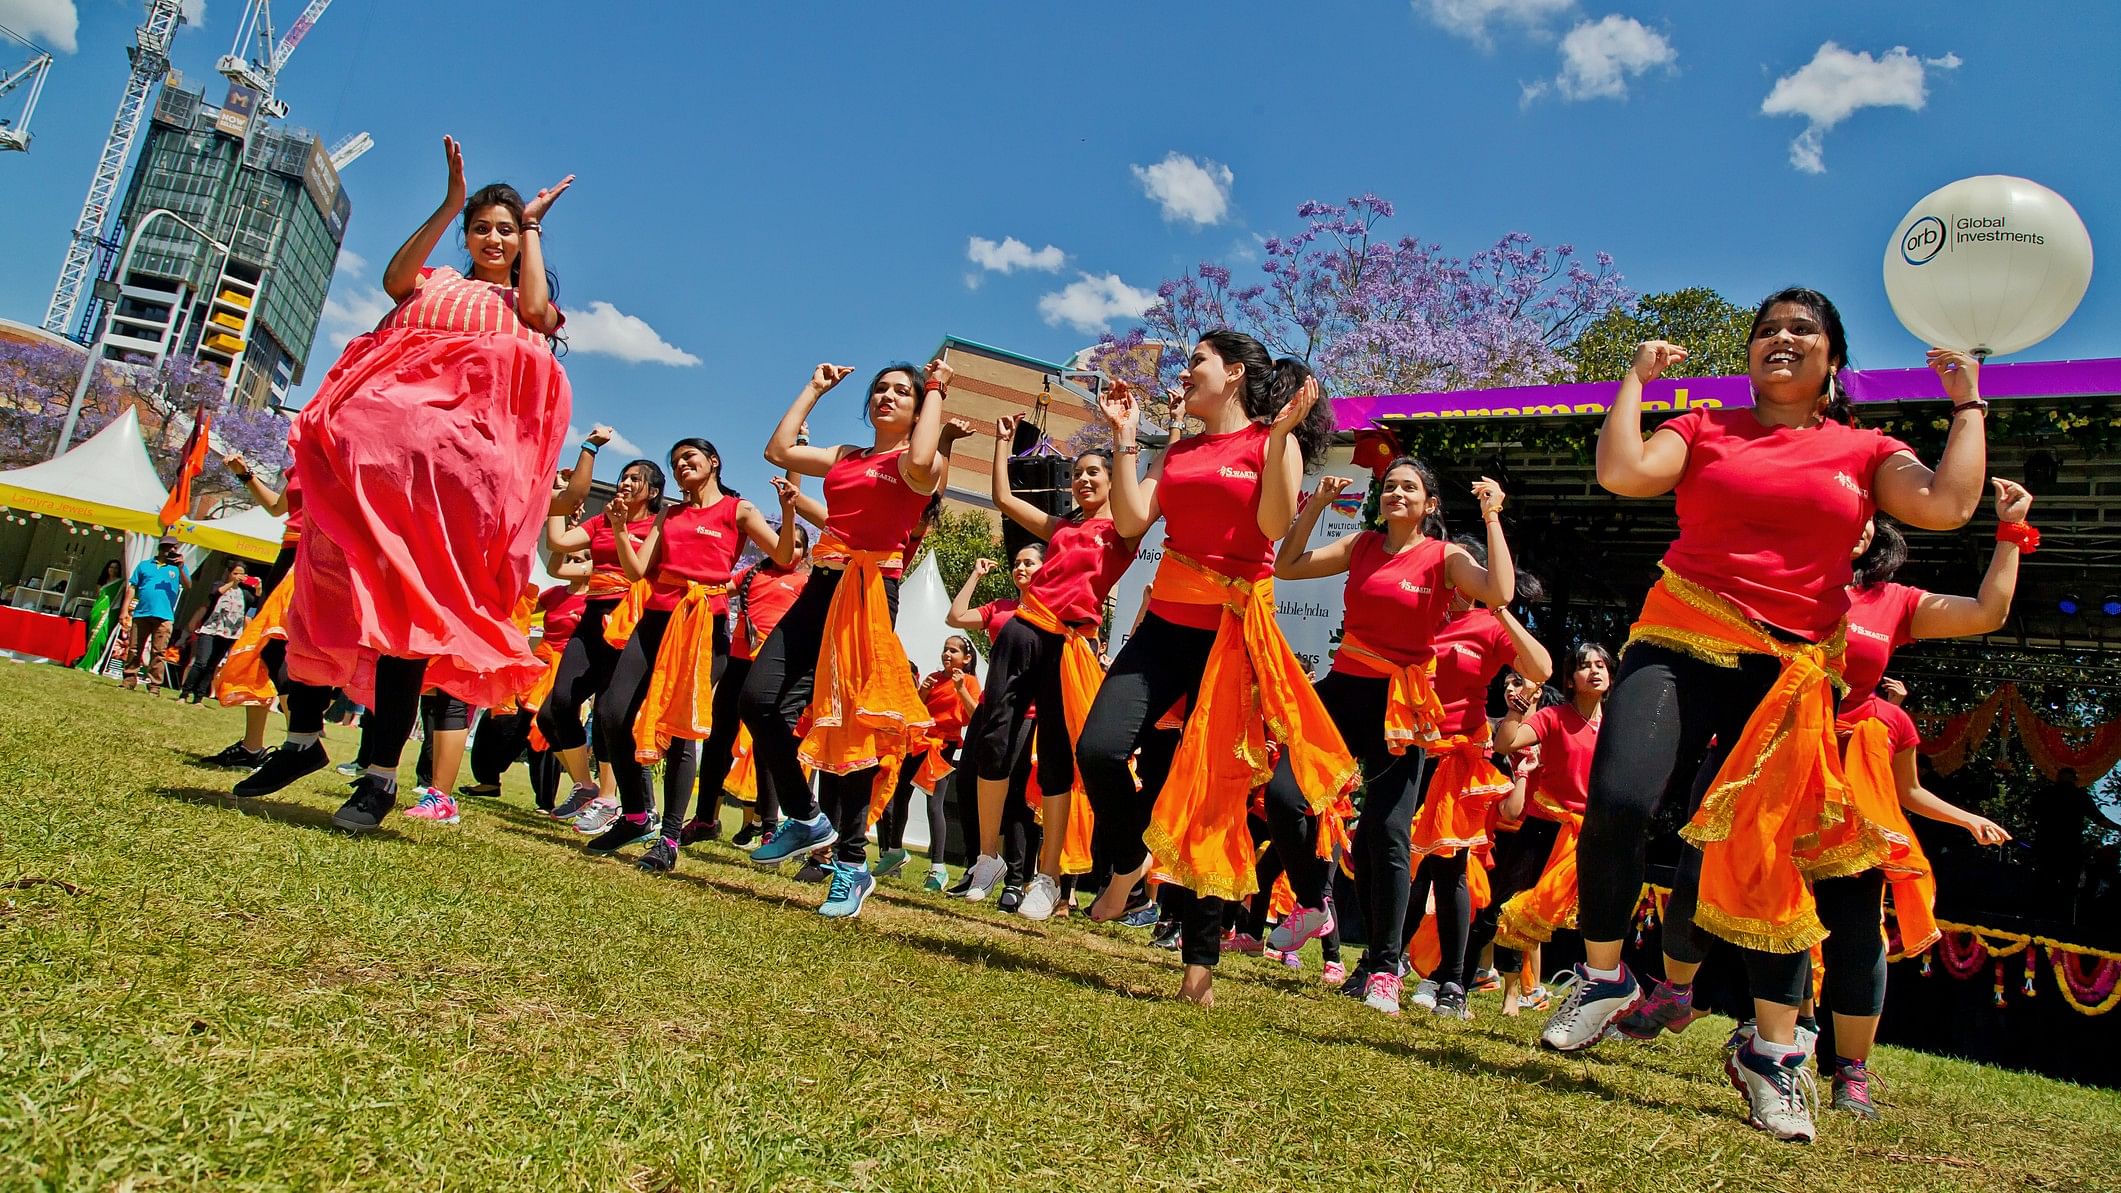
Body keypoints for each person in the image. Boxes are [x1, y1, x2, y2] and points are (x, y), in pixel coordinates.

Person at [1540, 289, 1989, 1146]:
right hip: (1679, 632)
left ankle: (1772, 1054)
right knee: (1624, 800)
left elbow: (1943, 504)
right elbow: (1622, 472)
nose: (1779, 340)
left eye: (1800, 331)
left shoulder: (1864, 448)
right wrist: (1633, 382)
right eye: (1766, 331)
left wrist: (1965, 401)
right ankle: (1604, 977)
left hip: (1784, 671)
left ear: (1831, 359)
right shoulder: (1705, 425)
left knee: (1766, 851)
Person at [1620, 482, 2032, 1118]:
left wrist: (2009, 534)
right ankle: (1676, 989)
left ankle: (1848, 1072)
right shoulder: (1766, 579)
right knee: (1702, 880)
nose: (1855, 525)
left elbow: (1986, 612)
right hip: (1753, 761)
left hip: (1845, 779)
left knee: (1855, 925)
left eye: (1867, 518)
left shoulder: (1891, 601)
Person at [232, 136, 576, 834]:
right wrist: (450, 200)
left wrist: (532, 226)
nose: (492, 238)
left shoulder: (519, 306)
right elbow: (395, 278)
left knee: (404, 631)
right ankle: (300, 741)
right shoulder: (433, 285)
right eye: (481, 227)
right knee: (317, 599)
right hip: (368, 483)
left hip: (441, 500)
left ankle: (381, 777)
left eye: (505, 230)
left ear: (521, 242)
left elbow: (540, 311)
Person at [1075, 333, 1350, 1007]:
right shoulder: (1184, 449)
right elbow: (1134, 520)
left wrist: (1281, 435)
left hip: (1230, 636)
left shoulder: (1268, 442)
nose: (1185, 371)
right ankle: (1130, 859)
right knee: (1100, 748)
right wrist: (1124, 437)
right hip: (1166, 623)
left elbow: (1273, 524)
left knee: (1212, 793)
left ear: (1231, 374)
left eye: (1197, 359)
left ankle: (1198, 967)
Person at [1260, 458, 1523, 1018]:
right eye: (1390, 486)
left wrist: (1493, 516)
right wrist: (1313, 508)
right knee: (1284, 798)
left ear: (1429, 504)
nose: (1396, 493)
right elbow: (1287, 566)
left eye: (1409, 487)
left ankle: (1384, 969)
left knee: (1386, 832)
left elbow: (1499, 590)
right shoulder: (1360, 546)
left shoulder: (1444, 558)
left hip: (1398, 706)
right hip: (1343, 686)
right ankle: (1312, 904)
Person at [741, 358, 951, 923]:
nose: (887, 396)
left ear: (917, 407)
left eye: (901, 392)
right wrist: (813, 388)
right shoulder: (846, 457)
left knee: (852, 723)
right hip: (822, 584)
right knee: (758, 700)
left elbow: (926, 454)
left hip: (870, 592)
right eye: (880, 389)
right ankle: (807, 818)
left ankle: (852, 864)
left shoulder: (918, 466)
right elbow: (779, 451)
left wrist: (936, 388)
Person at [972, 424, 1137, 921]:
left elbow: (1144, 496)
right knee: (994, 739)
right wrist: (1003, 441)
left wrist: (1134, 432)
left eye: (1093, 473)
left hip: (1068, 643)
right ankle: (987, 857)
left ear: (1111, 481)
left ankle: (1047, 878)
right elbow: (1002, 496)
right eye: (1078, 474)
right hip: (1024, 629)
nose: (1083, 481)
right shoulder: (1062, 528)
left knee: (1059, 759)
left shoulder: (1123, 530)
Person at [614, 439, 798, 872]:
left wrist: (788, 511)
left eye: (688, 459)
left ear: (713, 462)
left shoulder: (738, 510)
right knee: (612, 714)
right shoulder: (669, 514)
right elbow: (636, 571)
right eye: (675, 462)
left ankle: (670, 838)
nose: (680, 467)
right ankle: (638, 812)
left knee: (682, 729)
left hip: (704, 627)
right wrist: (621, 527)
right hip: (656, 621)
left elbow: (786, 555)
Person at [1486, 643, 1612, 1015]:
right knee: (1511, 905)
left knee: (1597, 915)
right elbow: (1505, 742)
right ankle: (1513, 990)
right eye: (1585, 666)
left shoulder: (1619, 725)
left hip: (1591, 833)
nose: (1594, 671)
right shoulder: (1555, 717)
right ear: (1570, 680)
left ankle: (1593, 996)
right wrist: (1514, 710)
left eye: (1601, 664)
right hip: (1543, 826)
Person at [539, 454, 664, 821]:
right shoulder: (603, 520)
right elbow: (559, 542)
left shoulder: (659, 525)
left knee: (613, 713)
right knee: (558, 705)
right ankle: (585, 786)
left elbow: (640, 571)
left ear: (653, 491)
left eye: (635, 479)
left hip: (632, 622)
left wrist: (624, 528)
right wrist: (558, 502)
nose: (625, 483)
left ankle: (613, 801)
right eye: (623, 477)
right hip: (593, 616)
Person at [679, 520, 812, 849]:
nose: (789, 549)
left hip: (776, 671)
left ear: (805, 552)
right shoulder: (753, 574)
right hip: (739, 664)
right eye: (783, 541)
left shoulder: (804, 583)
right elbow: (717, 589)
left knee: (768, 749)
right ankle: (705, 818)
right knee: (717, 739)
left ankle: (769, 826)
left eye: (797, 544)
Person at [944, 545, 1042, 901]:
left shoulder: (1049, 611)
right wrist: (976, 574)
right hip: (989, 710)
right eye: (1017, 563)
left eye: (1029, 563)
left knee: (1017, 797)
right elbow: (955, 618)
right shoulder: (1000, 607)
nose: (1021, 567)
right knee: (968, 784)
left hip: (1028, 716)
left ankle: (1015, 882)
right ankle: (979, 868)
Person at [881, 636, 981, 880]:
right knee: (900, 795)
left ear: (966, 659)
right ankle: (894, 851)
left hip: (942, 746)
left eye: (954, 650)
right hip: (919, 742)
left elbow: (975, 716)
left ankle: (938, 867)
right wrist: (922, 692)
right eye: (945, 649)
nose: (947, 654)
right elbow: (915, 711)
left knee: (934, 804)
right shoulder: (934, 679)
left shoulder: (969, 681)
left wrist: (960, 689)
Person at [177, 561, 255, 703]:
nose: (238, 576)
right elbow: (215, 594)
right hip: (211, 629)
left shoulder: (244, 593)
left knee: (212, 666)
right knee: (201, 662)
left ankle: (199, 697)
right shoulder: (219, 585)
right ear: (229, 573)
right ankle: (185, 693)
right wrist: (232, 583)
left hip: (229, 634)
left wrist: (258, 586)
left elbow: (254, 601)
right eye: (235, 573)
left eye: (241, 574)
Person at [121, 538, 191, 693]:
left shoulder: (178, 568)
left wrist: (180, 568)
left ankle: (154, 686)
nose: (171, 551)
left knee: (158, 652)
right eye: (168, 548)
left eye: (174, 548)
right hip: (142, 613)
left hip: (164, 616)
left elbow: (188, 586)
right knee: (134, 648)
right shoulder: (144, 565)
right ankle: (129, 680)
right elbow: (132, 588)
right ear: (160, 548)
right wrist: (124, 610)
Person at [75, 560, 126, 677]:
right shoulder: (102, 583)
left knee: (101, 639)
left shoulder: (121, 583)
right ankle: (85, 662)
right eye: (111, 567)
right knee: (91, 637)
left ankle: (92, 664)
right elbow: (99, 598)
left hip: (110, 613)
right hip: (97, 612)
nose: (113, 570)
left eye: (116, 568)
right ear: (107, 569)